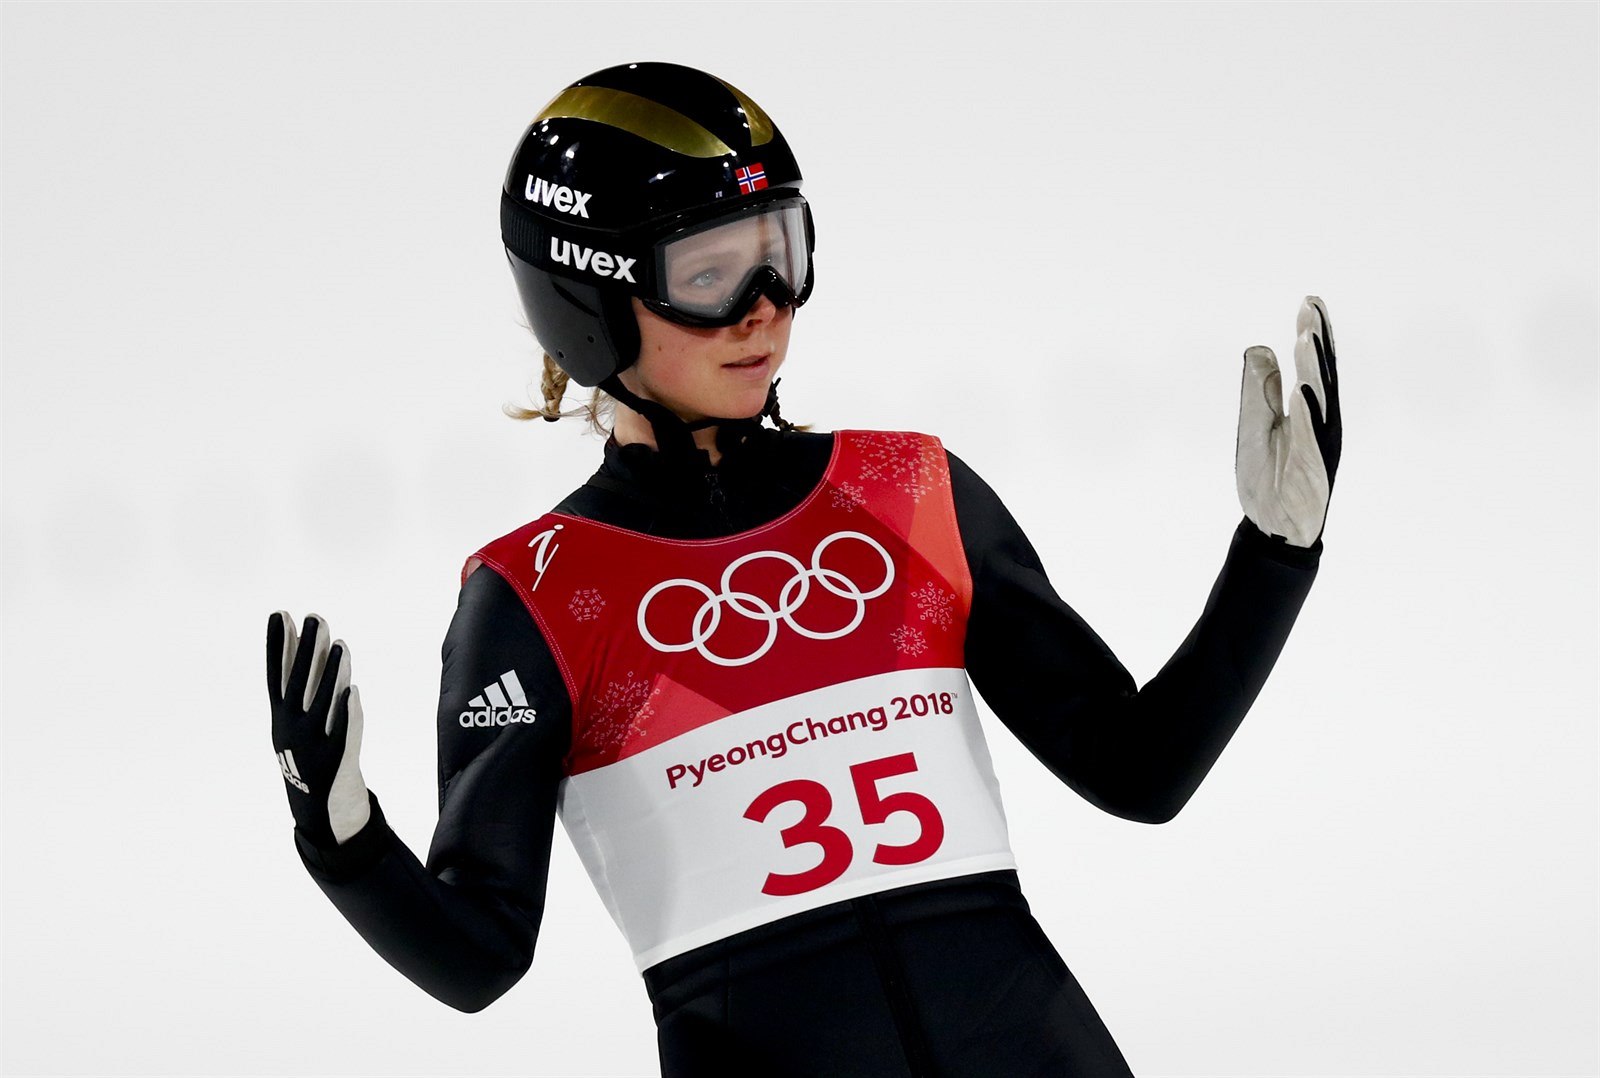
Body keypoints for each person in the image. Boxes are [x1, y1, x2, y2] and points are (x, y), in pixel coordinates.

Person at [267, 62, 1341, 1077]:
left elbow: (1140, 771)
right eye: (706, 274)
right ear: (585, 306)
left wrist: (1273, 554)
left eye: (777, 252)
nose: (763, 306)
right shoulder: (537, 596)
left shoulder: (909, 493)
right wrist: (343, 836)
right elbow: (477, 959)